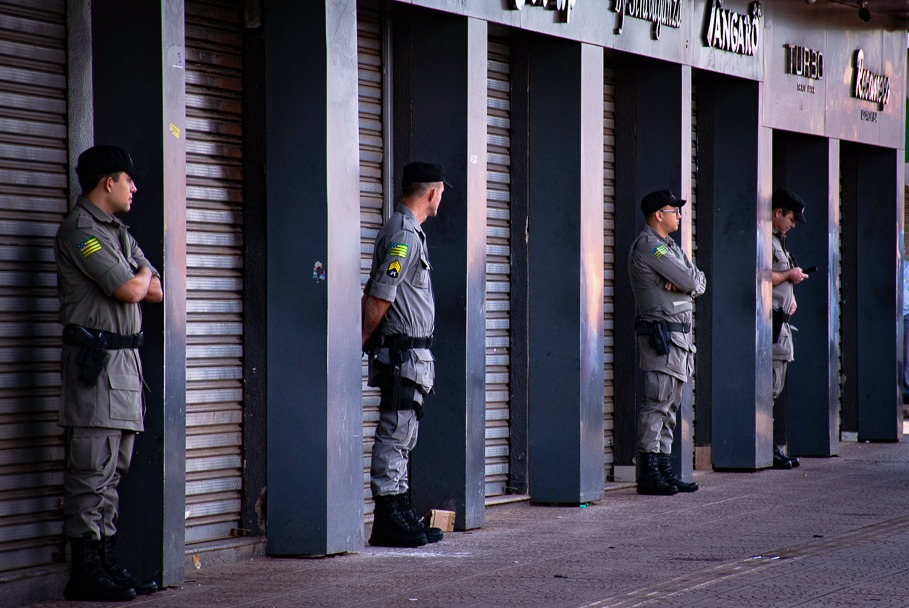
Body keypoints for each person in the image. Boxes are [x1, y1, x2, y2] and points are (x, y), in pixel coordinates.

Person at [54, 145, 162, 601]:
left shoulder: (116, 230)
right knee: (90, 474)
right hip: (96, 370)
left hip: (124, 368)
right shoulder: (82, 231)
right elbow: (128, 287)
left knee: (113, 473)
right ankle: (85, 571)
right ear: (107, 182)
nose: (135, 188)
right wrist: (137, 278)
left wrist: (138, 280)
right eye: (128, 179)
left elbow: (155, 290)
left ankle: (107, 562)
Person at [361, 162, 448, 547]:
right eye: (441, 192)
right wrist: (361, 337)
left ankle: (400, 507)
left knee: (404, 433)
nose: (440, 198)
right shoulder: (403, 235)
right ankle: (388, 516)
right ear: (431, 193)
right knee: (395, 432)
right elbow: (382, 293)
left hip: (411, 355)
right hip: (400, 354)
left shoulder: (411, 233)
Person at [628, 189, 706, 495]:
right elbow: (691, 281)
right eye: (675, 210)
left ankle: (663, 468)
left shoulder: (670, 247)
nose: (680, 215)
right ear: (658, 215)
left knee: (671, 404)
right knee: (657, 402)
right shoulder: (651, 247)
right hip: (663, 334)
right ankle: (648, 473)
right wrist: (688, 284)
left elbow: (697, 279)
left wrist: (689, 283)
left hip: (678, 337)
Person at [770, 187, 808, 470]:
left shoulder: (779, 242)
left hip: (782, 324)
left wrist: (791, 299)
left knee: (773, 390)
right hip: (769, 327)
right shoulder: (765, 240)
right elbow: (759, 276)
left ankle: (768, 446)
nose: (793, 225)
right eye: (791, 218)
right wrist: (789, 275)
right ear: (778, 212)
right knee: (767, 390)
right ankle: (765, 447)